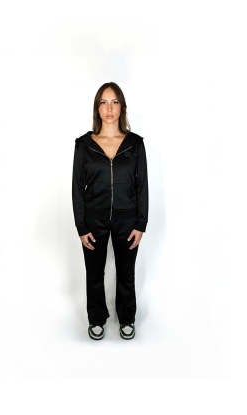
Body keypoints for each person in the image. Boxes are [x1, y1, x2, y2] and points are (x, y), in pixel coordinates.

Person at [72, 82, 149, 341]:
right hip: (94, 220)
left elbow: (142, 186)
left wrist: (141, 223)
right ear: (97, 108)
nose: (109, 108)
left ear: (122, 107)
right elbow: (77, 189)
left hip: (128, 220)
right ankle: (96, 318)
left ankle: (126, 317)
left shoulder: (135, 144)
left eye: (115, 102)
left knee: (126, 273)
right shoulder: (84, 144)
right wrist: (82, 226)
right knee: (94, 273)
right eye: (103, 102)